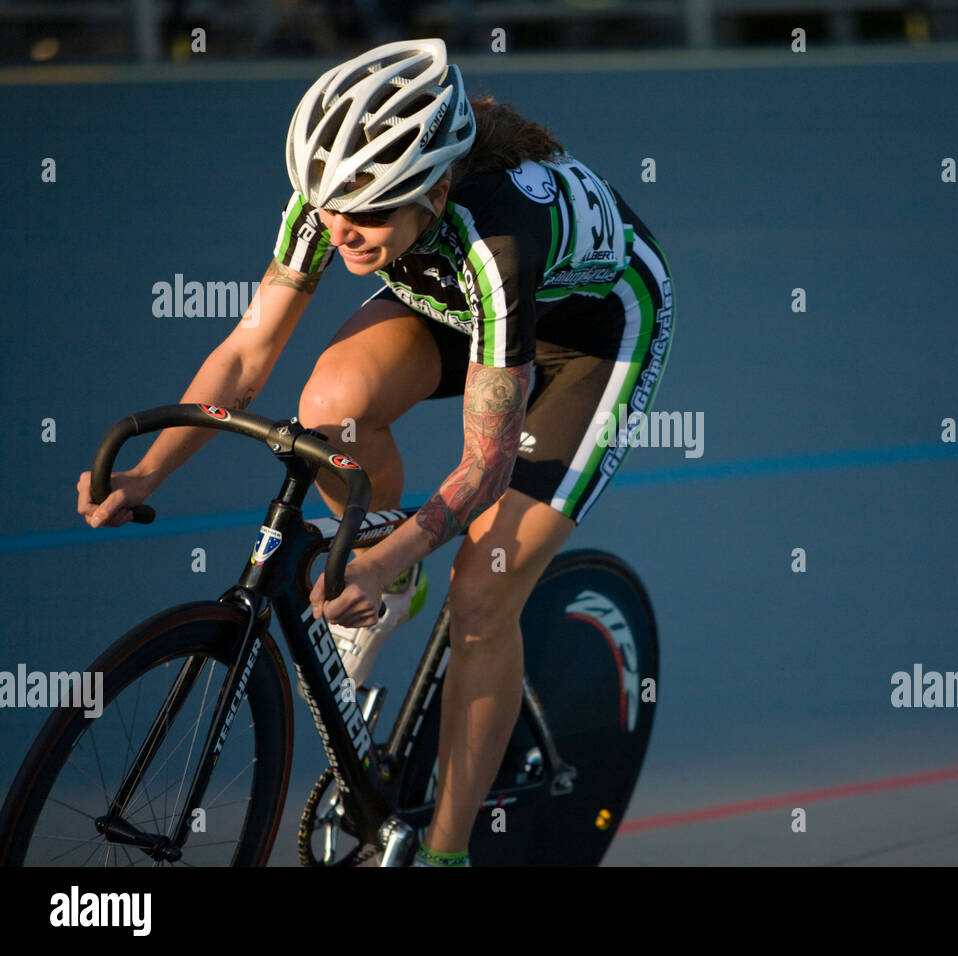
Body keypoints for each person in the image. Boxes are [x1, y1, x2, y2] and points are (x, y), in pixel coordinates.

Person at [76, 38, 675, 868]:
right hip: (455, 299)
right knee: (329, 405)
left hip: (593, 338)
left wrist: (394, 541)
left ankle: (445, 853)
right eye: (328, 211)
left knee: (483, 587)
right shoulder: (335, 200)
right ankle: (392, 586)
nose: (342, 232)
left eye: (367, 217)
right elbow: (249, 356)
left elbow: (485, 466)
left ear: (431, 192)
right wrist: (148, 470)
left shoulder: (494, 242)